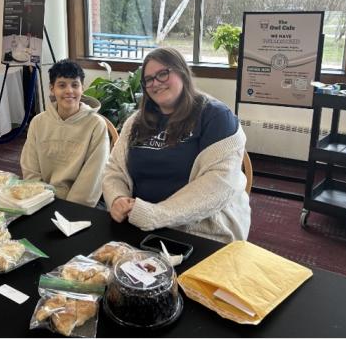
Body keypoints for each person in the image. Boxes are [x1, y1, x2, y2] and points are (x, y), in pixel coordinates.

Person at [102, 48, 251, 242]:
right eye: (148, 79)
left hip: (201, 231)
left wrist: (156, 214)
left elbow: (220, 184)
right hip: (139, 226)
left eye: (163, 74)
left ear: (181, 72)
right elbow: (114, 170)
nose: (155, 83)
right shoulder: (136, 121)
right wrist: (117, 198)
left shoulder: (215, 116)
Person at [20, 59, 110, 207]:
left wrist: (71, 208)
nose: (69, 91)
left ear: (82, 88)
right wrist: (39, 199)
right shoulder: (38, 122)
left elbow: (94, 176)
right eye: (62, 85)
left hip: (80, 205)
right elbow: (30, 169)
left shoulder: (96, 125)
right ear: (52, 89)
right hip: (41, 200)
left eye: (75, 85)